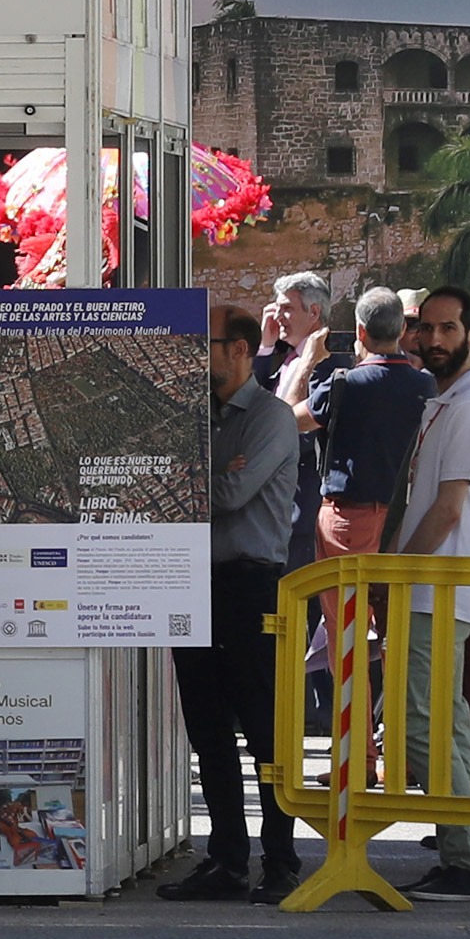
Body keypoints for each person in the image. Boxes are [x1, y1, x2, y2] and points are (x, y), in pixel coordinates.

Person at [167, 306, 302, 900]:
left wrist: (191, 480)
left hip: (250, 587)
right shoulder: (195, 416)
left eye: (209, 343)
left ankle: (280, 860)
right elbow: (189, 482)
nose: (199, 354)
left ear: (242, 349)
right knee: (207, 729)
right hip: (190, 582)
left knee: (265, 730)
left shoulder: (270, 418)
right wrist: (202, 477)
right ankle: (226, 858)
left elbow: (230, 492)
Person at [387, 285, 470, 895]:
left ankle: (469, 860)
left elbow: (448, 508)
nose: (434, 340)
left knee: (420, 722)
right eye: (427, 328)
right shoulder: (449, 399)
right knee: (444, 722)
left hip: (437, 588)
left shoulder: (466, 404)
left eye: (448, 329)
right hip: (437, 588)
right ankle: (469, 854)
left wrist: (397, 573)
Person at [310, 286, 430, 560]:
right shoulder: (428, 386)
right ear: (401, 330)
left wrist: (309, 361)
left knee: (347, 603)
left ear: (360, 332)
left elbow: (290, 419)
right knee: (394, 602)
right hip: (406, 518)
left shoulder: (343, 385)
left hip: (349, 519)